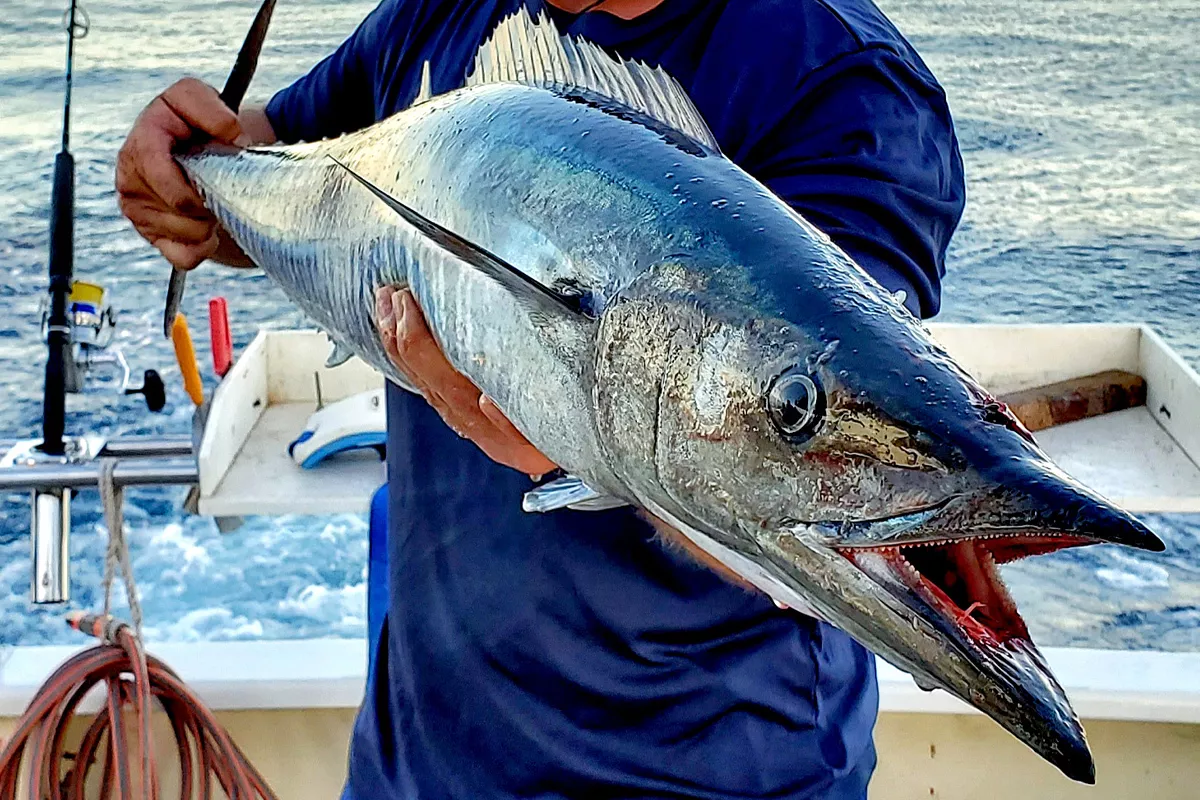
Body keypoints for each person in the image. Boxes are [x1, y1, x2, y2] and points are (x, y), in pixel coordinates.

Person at [116, 0, 965, 797]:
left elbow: (818, 434)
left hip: (719, 768)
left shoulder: (848, 85)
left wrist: (591, 436)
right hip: (419, 758)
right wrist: (190, 184)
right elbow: (299, 188)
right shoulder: (440, 10)